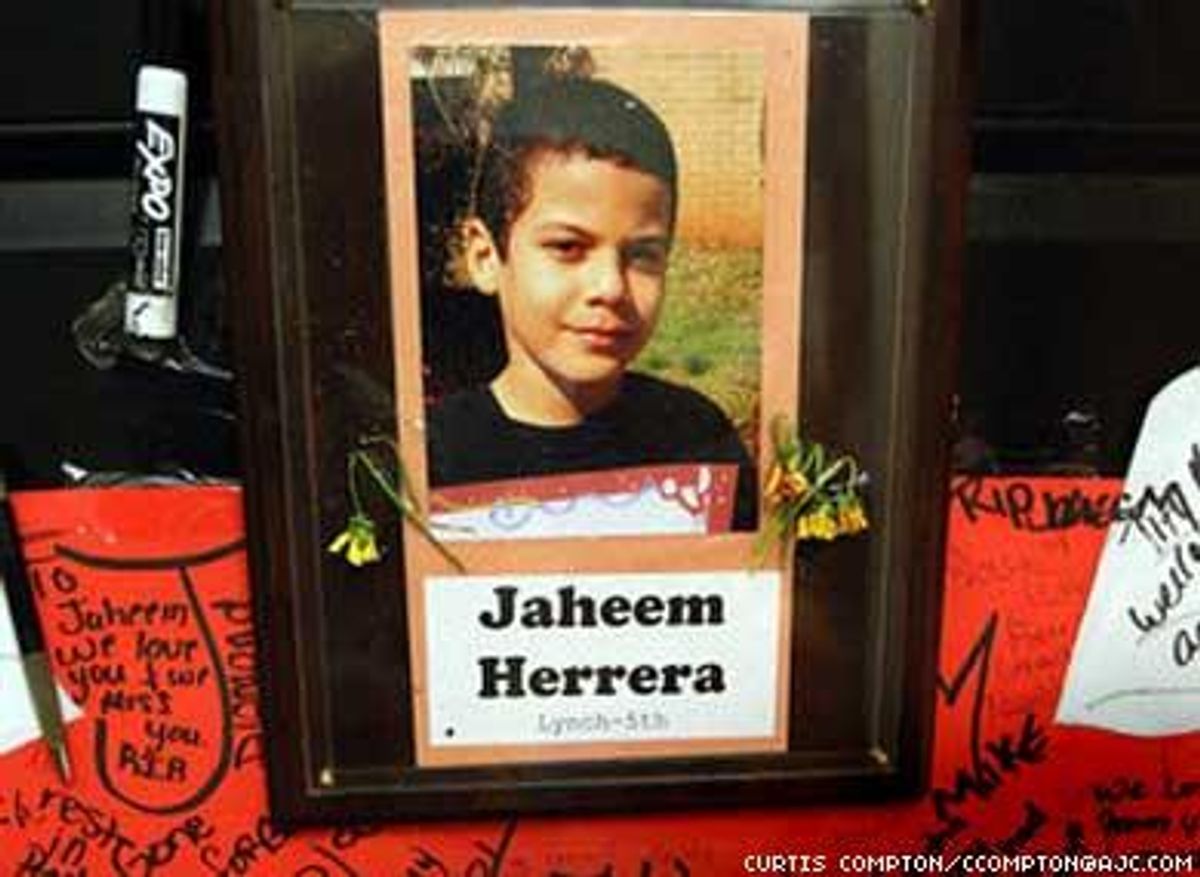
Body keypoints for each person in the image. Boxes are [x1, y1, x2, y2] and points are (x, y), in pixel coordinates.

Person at [426, 75, 757, 530]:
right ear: (486, 257)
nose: (611, 287)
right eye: (568, 247)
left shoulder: (697, 438)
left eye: (642, 255)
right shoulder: (435, 458)